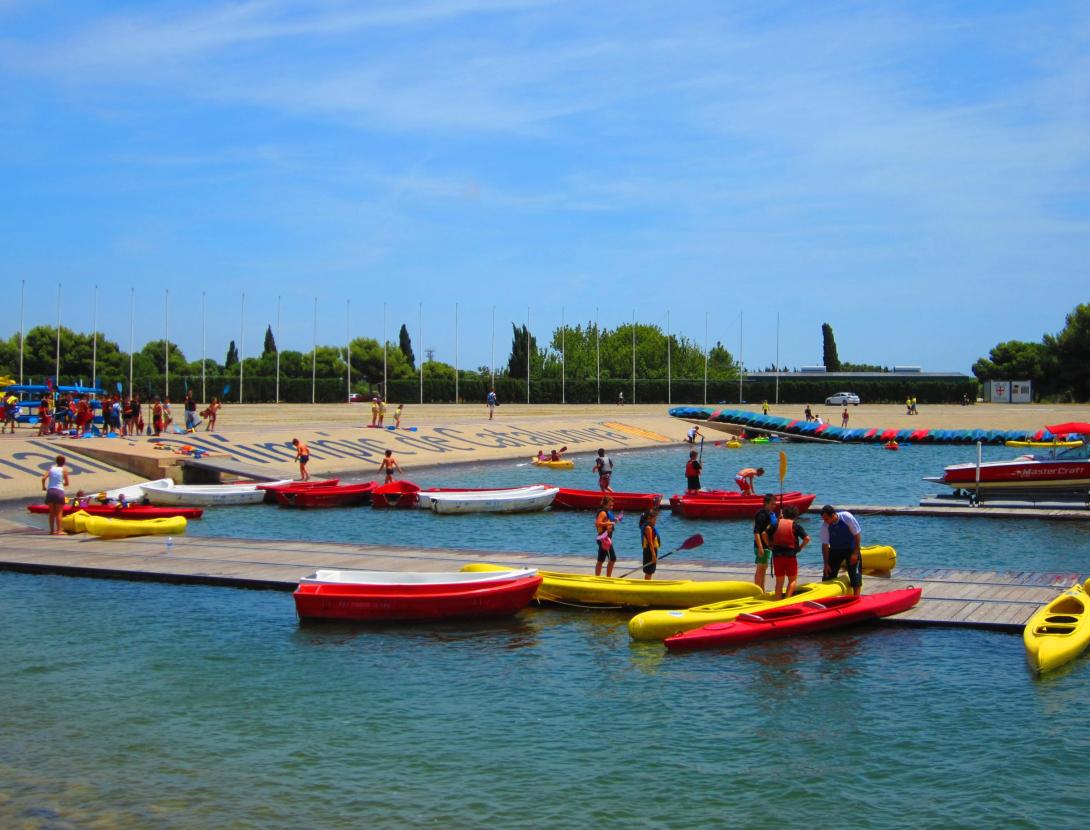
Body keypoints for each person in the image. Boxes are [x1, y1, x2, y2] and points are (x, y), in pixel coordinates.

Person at [820, 505, 863, 596]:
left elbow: (857, 535)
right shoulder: (825, 526)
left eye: (826, 519)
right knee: (827, 575)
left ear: (833, 515)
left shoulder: (846, 517)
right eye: (823, 519)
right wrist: (826, 564)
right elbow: (825, 545)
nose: (825, 521)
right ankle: (827, 598)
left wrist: (855, 553)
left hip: (851, 549)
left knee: (854, 575)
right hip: (835, 550)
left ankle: (856, 598)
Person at [770, 504, 809, 599]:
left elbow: (764, 534)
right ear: (795, 516)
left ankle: (777, 600)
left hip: (777, 556)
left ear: (784, 514)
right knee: (792, 580)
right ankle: (787, 599)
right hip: (790, 556)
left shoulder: (776, 524)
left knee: (779, 581)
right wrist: (800, 548)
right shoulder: (796, 526)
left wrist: (769, 545)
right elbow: (807, 538)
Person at [752, 493, 778, 592]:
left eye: (775, 504)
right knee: (760, 568)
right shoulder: (762, 515)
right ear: (765, 504)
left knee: (764, 567)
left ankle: (761, 589)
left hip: (768, 545)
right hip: (762, 546)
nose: (774, 506)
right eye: (772, 504)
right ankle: (758, 590)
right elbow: (756, 532)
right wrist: (760, 548)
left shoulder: (771, 514)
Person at [41, 455, 69, 536]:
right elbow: (67, 483)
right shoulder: (64, 470)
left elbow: (43, 478)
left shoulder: (51, 468)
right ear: (64, 462)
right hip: (59, 491)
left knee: (51, 512)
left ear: (56, 461)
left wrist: (43, 487)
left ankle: (51, 530)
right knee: (59, 512)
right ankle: (59, 530)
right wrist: (63, 483)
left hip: (50, 491)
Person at [594, 496, 617, 577]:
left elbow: (607, 522)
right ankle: (608, 578)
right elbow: (597, 523)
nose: (611, 507)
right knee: (613, 558)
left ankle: (597, 577)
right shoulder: (603, 512)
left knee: (600, 559)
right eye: (610, 505)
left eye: (612, 505)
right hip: (604, 539)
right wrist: (609, 523)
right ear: (604, 504)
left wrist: (613, 521)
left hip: (603, 539)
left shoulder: (606, 512)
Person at [640, 510, 660, 580]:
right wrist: (653, 554)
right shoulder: (648, 528)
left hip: (651, 550)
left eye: (656, 519)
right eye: (654, 519)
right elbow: (650, 542)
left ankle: (648, 583)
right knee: (649, 571)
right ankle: (646, 585)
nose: (655, 521)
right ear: (649, 519)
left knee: (651, 570)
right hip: (649, 551)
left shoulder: (651, 527)